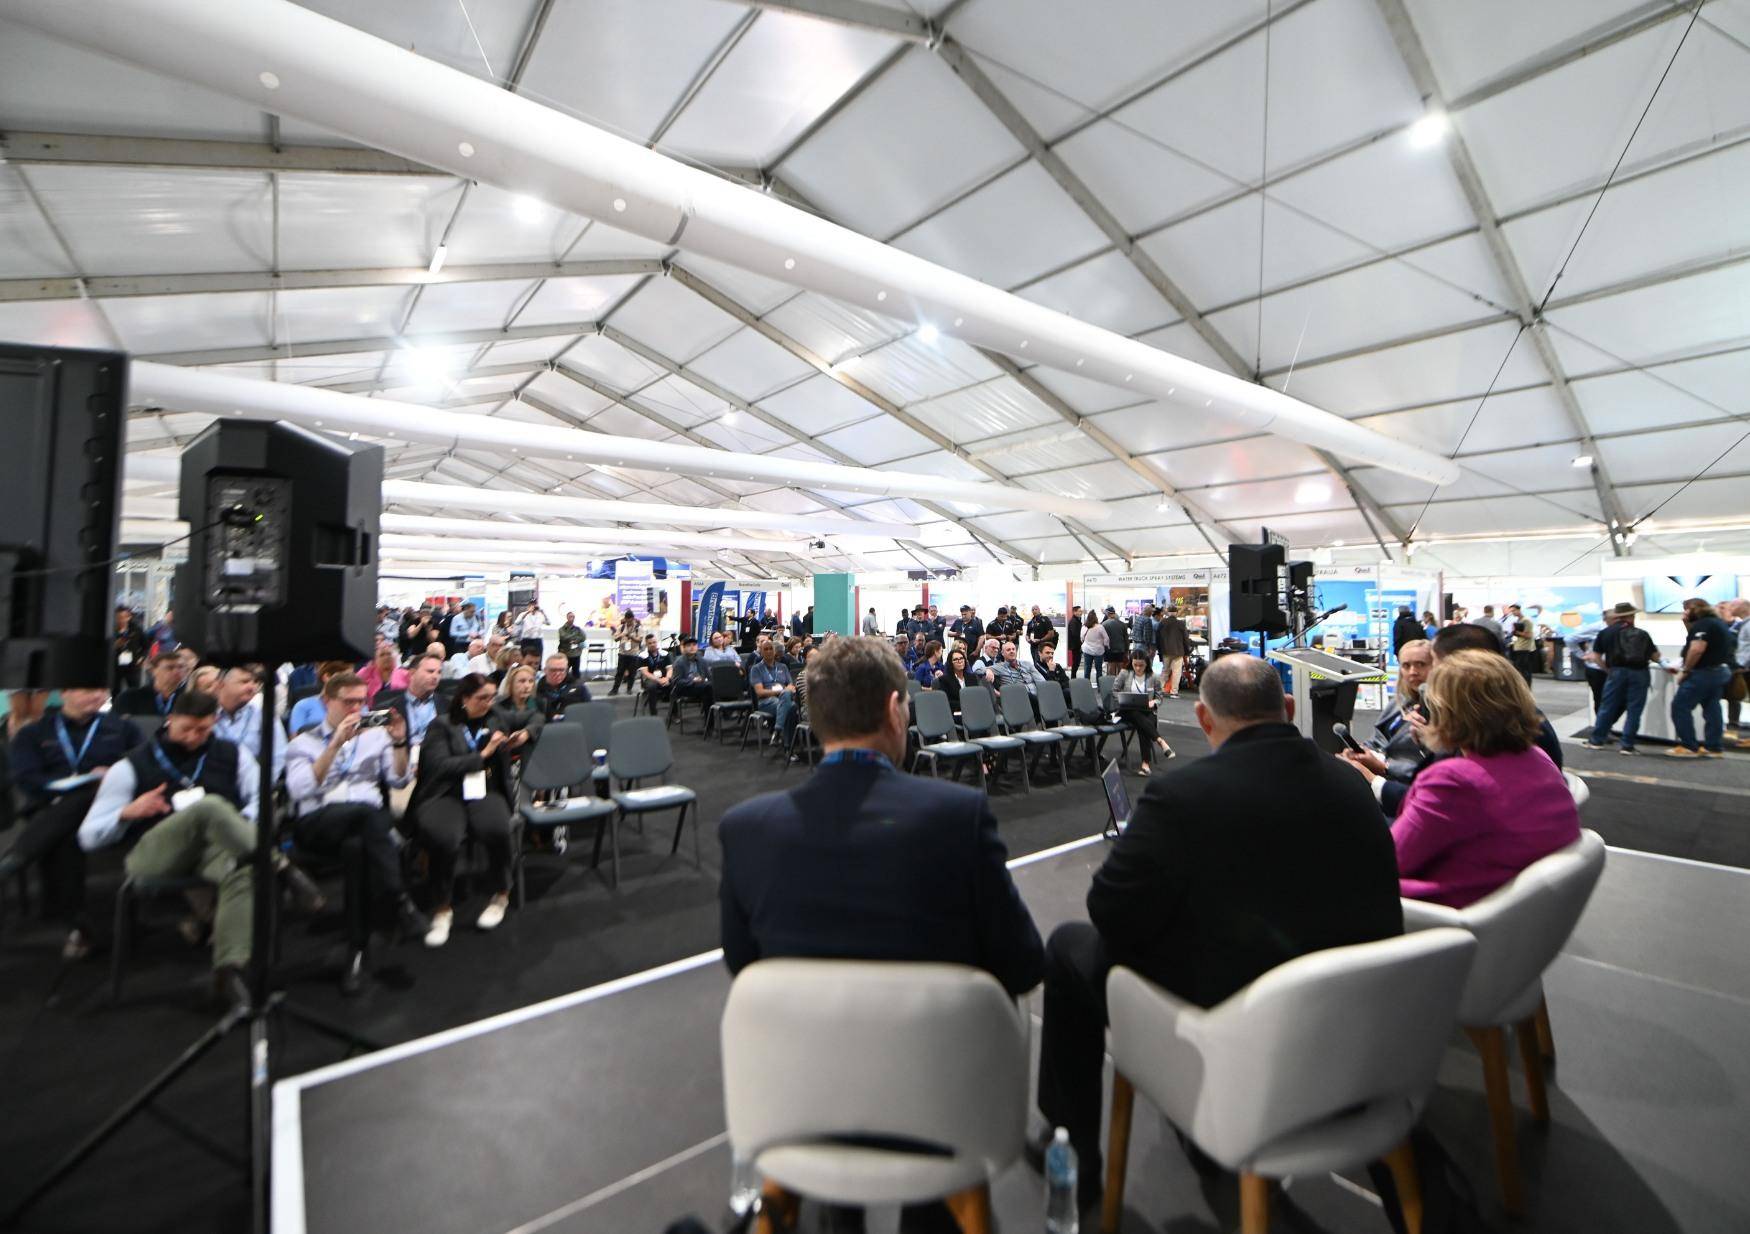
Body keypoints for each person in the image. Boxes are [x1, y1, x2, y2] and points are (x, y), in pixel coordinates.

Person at [1030, 655, 1401, 1211]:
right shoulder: (1350, 782)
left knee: (1067, 948)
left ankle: (1075, 1156)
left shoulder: (1182, 798)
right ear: (1289, 708)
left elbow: (1111, 912)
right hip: (1361, 1033)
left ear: (1204, 718)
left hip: (1241, 1032)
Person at [719, 632, 1043, 985]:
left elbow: (743, 965)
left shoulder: (744, 832)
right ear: (893, 711)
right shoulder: (959, 817)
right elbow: (1022, 962)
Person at [78, 690, 269, 1004]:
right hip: (156, 854)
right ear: (170, 720)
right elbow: (88, 836)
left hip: (211, 853)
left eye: (203, 730)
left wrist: (236, 824)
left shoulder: (234, 755)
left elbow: (261, 799)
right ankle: (280, 866)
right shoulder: (131, 766)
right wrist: (127, 812)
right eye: (186, 729)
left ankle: (229, 970)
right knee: (210, 807)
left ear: (214, 723)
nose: (194, 737)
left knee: (242, 868)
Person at [1390, 651, 1581, 907]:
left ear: (1447, 711)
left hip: (1432, 911)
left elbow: (1389, 861)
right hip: (1507, 908)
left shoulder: (1455, 780)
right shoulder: (1538, 759)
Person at [284, 672, 427, 987]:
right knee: (367, 813)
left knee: (357, 847)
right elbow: (300, 790)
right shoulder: (303, 743)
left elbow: (399, 779)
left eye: (361, 702)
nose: (356, 709)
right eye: (348, 702)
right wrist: (334, 745)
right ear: (327, 701)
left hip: (364, 830)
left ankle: (356, 950)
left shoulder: (375, 736)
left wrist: (399, 741)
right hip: (318, 821)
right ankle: (399, 900)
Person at [1342, 623, 1564, 817]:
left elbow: (1434, 807)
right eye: (1406, 665)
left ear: (1463, 667)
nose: (1429, 675)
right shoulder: (1518, 719)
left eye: (1432, 664)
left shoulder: (1485, 732)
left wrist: (1374, 778)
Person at [0, 689, 142, 959]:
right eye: (88, 690)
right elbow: (26, 778)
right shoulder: (34, 733)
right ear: (65, 693)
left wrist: (114, 775)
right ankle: (83, 926)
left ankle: (22, 855)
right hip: (50, 804)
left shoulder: (123, 728)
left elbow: (142, 765)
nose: (96, 696)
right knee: (68, 830)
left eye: (101, 690)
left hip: (111, 806)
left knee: (77, 807)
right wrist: (63, 786)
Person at [410, 674, 528, 946]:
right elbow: (440, 766)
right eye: (481, 698)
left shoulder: (495, 718)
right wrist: (483, 754)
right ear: (464, 699)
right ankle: (442, 907)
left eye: (491, 697)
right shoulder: (441, 725)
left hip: (484, 791)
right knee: (445, 837)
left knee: (497, 828)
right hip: (446, 793)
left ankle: (501, 894)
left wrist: (526, 733)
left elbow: (533, 717)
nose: (488, 703)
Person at [1584, 602, 1661, 754]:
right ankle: (1627, 745)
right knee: (1634, 709)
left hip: (1616, 672)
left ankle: (1597, 740)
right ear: (1631, 616)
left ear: (1617, 616)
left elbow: (1596, 657)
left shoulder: (1605, 633)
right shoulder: (1642, 633)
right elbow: (1655, 656)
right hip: (1639, 673)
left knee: (1607, 707)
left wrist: (1608, 669)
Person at [1668, 597, 1736, 758]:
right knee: (1712, 708)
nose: (1684, 613)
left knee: (1680, 706)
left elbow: (1696, 649)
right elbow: (1697, 639)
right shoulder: (1717, 623)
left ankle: (1689, 746)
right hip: (1719, 671)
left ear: (1693, 609)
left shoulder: (1704, 624)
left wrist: (1686, 671)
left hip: (1703, 672)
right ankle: (1714, 747)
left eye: (1686, 609)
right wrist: (1687, 624)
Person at [211, 665, 286, 783]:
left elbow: (278, 756)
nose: (253, 687)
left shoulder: (265, 716)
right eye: (244, 682)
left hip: (255, 786)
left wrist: (259, 785)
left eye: (255, 682)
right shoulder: (204, 716)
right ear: (221, 684)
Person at [1373, 639, 1433, 781]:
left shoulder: (1443, 710)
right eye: (1406, 666)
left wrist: (1384, 766)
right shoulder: (1399, 701)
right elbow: (1377, 739)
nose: (1413, 672)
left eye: (1420, 664)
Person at [1111, 650, 1174, 775]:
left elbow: (1159, 697)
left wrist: (1154, 702)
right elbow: (1114, 691)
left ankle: (1146, 765)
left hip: (1146, 711)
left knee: (1143, 724)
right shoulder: (1125, 673)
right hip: (1127, 711)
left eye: (1141, 665)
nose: (1138, 668)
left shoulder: (1153, 677)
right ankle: (1160, 742)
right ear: (1131, 663)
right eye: (1135, 665)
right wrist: (1122, 698)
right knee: (1136, 714)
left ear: (1147, 664)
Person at [749, 639, 800, 755]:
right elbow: (760, 692)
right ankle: (788, 747)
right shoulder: (756, 669)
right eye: (765, 649)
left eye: (771, 648)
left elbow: (791, 686)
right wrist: (780, 691)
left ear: (775, 651)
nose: (768, 651)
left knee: (789, 704)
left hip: (784, 700)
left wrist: (785, 692)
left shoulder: (783, 667)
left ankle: (777, 731)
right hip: (766, 702)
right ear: (761, 652)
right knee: (790, 706)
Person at [114, 650, 188, 717]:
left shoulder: (189, 700)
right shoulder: (130, 698)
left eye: (181, 667)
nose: (176, 671)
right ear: (153, 671)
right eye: (170, 668)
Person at [291, 660, 354, 735]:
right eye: (344, 678)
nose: (350, 682)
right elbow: (295, 739)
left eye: (351, 677)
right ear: (327, 677)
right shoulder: (303, 706)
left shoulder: (356, 705)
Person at [493, 664, 546, 740]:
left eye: (531, 681)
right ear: (511, 684)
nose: (527, 686)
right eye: (522, 681)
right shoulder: (498, 704)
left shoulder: (540, 704)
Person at [535, 653, 591, 719]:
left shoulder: (579, 688)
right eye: (553, 670)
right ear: (545, 670)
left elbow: (589, 710)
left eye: (561, 670)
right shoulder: (536, 689)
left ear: (567, 670)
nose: (557, 673)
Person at [1155, 605, 1191, 697]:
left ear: (1168, 612)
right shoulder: (1181, 623)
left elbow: (1158, 638)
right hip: (1178, 651)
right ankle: (1174, 692)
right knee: (1176, 672)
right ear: (1176, 613)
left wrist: (1159, 650)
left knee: (1165, 670)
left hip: (1165, 651)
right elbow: (1185, 639)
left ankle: (1160, 690)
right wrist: (1187, 651)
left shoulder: (1162, 623)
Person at [113, 606, 149, 691]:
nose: (121, 620)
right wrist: (115, 645)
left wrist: (141, 658)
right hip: (115, 666)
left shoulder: (136, 629)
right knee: (115, 690)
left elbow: (146, 645)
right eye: (119, 618)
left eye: (124, 617)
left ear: (129, 617)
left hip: (132, 666)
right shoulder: (111, 630)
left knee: (134, 689)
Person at [609, 611, 642, 696]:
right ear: (625, 619)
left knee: (632, 673)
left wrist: (631, 637)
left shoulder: (638, 628)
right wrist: (622, 635)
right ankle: (615, 690)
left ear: (633, 619)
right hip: (623, 654)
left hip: (633, 654)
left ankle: (629, 689)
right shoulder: (622, 627)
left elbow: (640, 640)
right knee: (619, 673)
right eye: (627, 620)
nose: (628, 622)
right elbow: (615, 639)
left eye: (630, 620)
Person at [637, 634, 673, 707]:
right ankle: (653, 711)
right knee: (652, 686)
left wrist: (667, 678)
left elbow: (670, 669)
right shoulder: (642, 656)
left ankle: (674, 711)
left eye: (654, 642)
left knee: (675, 683)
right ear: (646, 644)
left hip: (664, 678)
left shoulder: (665, 654)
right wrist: (658, 680)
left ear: (657, 642)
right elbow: (645, 673)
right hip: (650, 679)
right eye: (650, 643)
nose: (652, 644)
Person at [937, 646, 973, 712]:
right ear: (951, 663)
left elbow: (976, 696)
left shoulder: (972, 677)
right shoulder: (944, 680)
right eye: (956, 659)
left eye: (961, 658)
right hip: (956, 712)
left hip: (973, 710)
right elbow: (946, 701)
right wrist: (965, 704)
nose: (960, 661)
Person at [1078, 611, 1108, 681]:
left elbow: (1081, 638)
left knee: (1087, 668)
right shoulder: (1100, 627)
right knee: (1099, 669)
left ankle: (1086, 685)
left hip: (1087, 650)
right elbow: (1106, 638)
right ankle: (1099, 685)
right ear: (1096, 618)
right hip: (1098, 651)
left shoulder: (1084, 627)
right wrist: (1105, 645)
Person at [1100, 606, 1129, 674]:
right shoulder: (1122, 624)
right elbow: (1126, 639)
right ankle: (1120, 680)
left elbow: (1101, 638)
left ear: (1108, 614)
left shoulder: (1104, 624)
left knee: (1111, 668)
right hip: (1120, 649)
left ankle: (1111, 680)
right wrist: (1126, 650)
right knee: (1120, 669)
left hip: (1109, 650)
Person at [556, 611, 585, 676]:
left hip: (576, 653)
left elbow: (583, 637)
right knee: (563, 673)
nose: (572, 618)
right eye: (570, 616)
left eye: (573, 617)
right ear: (567, 617)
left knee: (576, 674)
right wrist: (574, 635)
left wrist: (575, 641)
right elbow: (564, 637)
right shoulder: (562, 629)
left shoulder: (578, 629)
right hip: (565, 654)